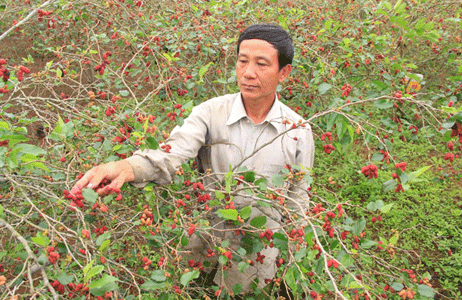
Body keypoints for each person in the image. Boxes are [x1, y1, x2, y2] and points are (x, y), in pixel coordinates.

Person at [71, 23, 314, 296]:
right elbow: (171, 152)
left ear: (284, 72)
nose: (248, 73)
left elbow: (297, 198)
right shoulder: (211, 113)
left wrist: (292, 252)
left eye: (261, 64)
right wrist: (125, 167)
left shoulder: (298, 131)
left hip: (258, 256)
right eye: (242, 61)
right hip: (204, 243)